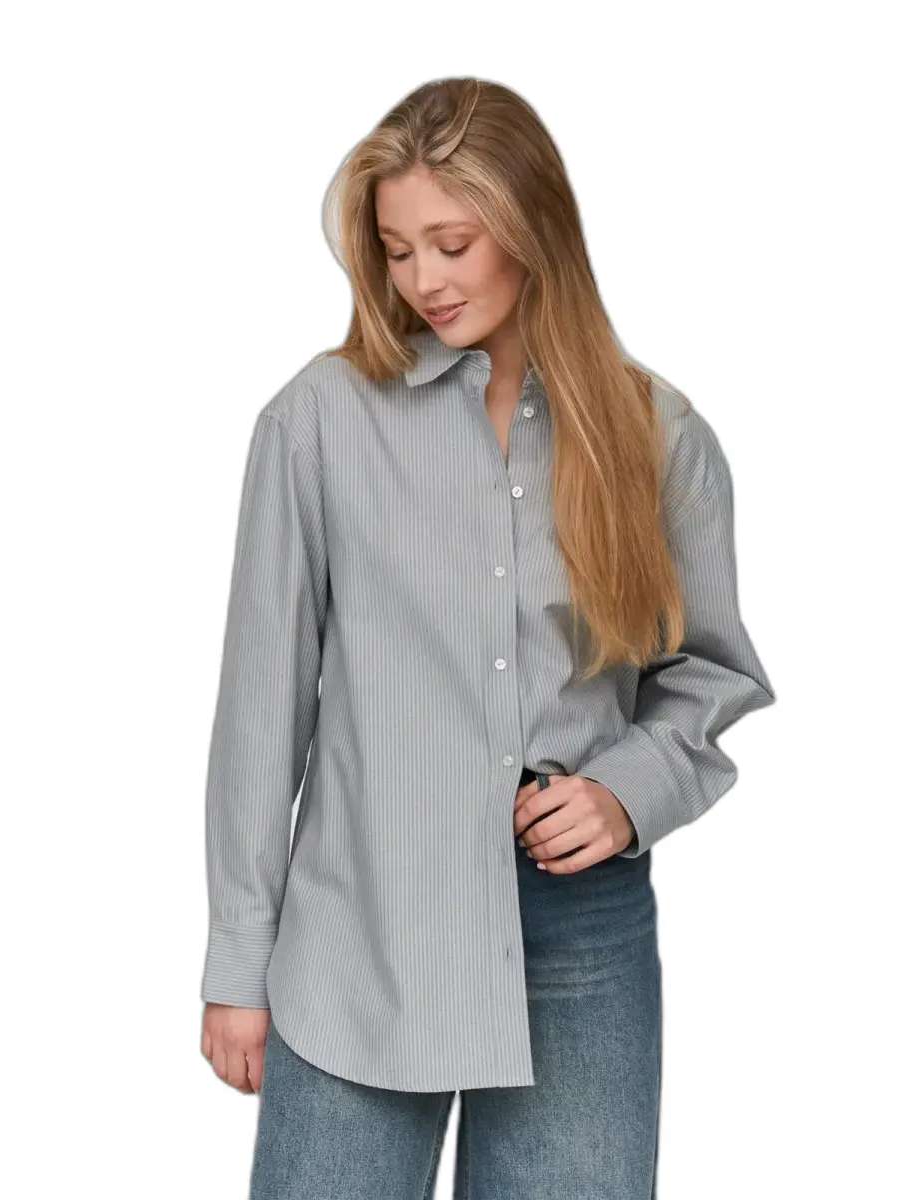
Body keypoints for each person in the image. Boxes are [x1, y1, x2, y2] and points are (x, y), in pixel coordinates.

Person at [198, 76, 776, 1199]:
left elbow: (709, 673)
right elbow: (261, 715)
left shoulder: (657, 436)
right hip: (361, 927)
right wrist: (236, 963)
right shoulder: (318, 423)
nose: (423, 280)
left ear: (531, 227)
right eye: (397, 250)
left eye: (452, 244)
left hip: (578, 928)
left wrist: (626, 792)